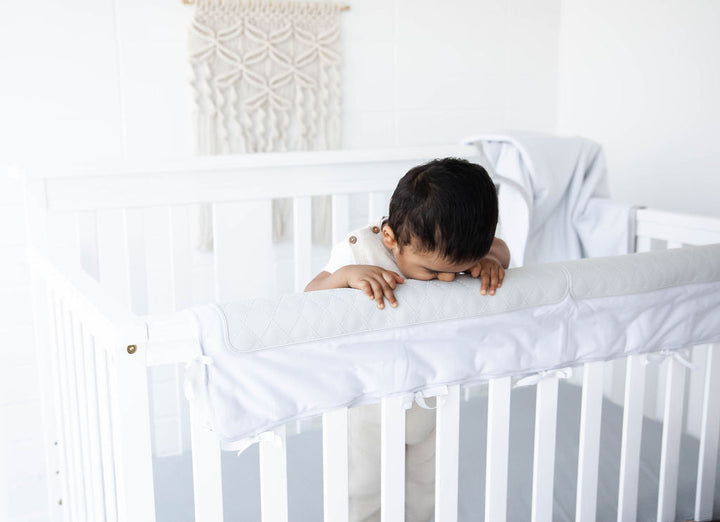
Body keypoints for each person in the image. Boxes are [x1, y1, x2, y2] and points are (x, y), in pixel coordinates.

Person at [305, 157, 510, 521]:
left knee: (428, 490)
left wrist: (492, 259)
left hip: (435, 396)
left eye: (459, 270)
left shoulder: (458, 242)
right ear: (391, 238)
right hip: (369, 403)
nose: (448, 281)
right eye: (433, 271)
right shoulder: (360, 252)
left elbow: (502, 249)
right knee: (362, 490)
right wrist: (347, 275)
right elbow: (310, 297)